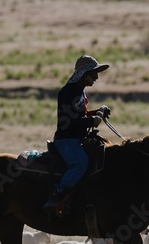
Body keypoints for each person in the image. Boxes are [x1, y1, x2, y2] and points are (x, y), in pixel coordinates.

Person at [42, 55, 112, 212]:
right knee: (80, 162)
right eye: (93, 73)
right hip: (66, 140)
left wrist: (97, 112)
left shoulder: (79, 91)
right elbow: (70, 121)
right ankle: (58, 194)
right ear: (84, 74)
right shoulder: (68, 92)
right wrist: (91, 121)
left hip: (76, 138)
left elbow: (79, 115)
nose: (96, 77)